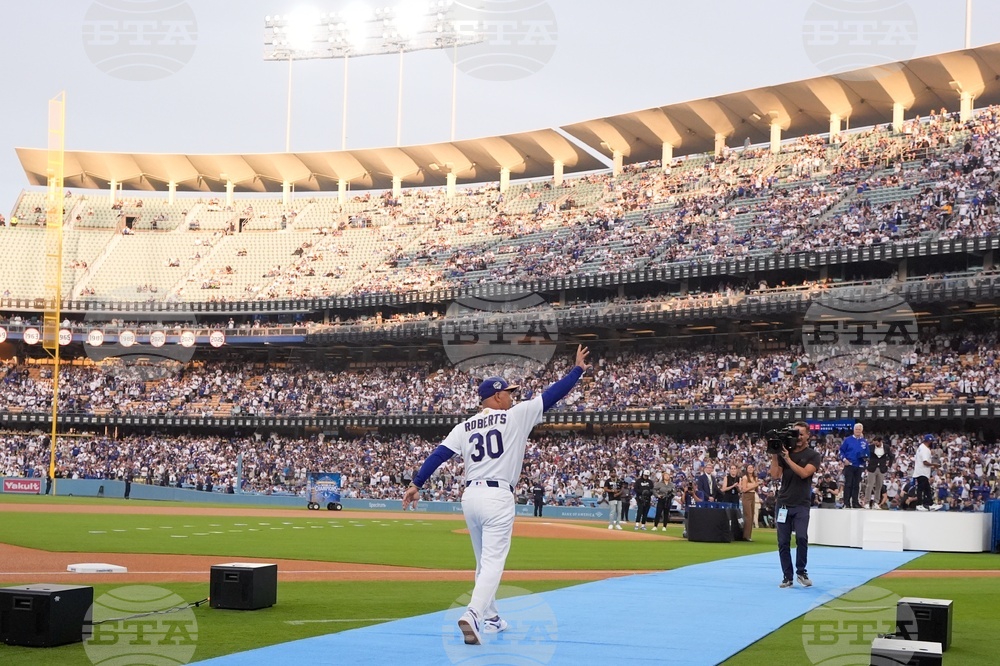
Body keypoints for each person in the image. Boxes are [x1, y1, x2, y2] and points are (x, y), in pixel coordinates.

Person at [402, 345, 590, 646]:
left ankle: (490, 617)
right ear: (498, 396)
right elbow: (553, 394)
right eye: (509, 393)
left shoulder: (465, 426)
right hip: (497, 496)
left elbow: (439, 454)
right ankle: (474, 613)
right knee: (492, 563)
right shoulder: (516, 415)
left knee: (481, 562)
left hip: (471, 497)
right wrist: (577, 370)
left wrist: (416, 483)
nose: (513, 397)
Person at [769, 421, 821, 588]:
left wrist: (788, 459)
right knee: (783, 541)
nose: (797, 437)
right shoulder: (785, 453)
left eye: (800, 434)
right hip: (783, 503)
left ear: (807, 436)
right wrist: (775, 453)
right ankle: (787, 576)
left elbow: (804, 473)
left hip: (801, 503)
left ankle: (801, 571)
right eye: (795, 433)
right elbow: (776, 475)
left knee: (801, 537)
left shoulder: (813, 455)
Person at [839, 423, 868, 508]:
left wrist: (866, 459)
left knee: (856, 485)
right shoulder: (848, 440)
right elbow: (841, 451)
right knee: (848, 484)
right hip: (850, 465)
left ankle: (855, 502)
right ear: (853, 430)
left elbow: (867, 453)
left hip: (859, 466)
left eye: (859, 429)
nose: (858, 431)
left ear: (861, 430)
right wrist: (844, 460)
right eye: (856, 429)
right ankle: (846, 503)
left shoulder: (864, 442)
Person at [860, 436, 893, 509]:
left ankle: (876, 502)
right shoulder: (870, 447)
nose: (875, 443)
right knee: (869, 485)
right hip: (872, 468)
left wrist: (889, 465)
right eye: (874, 442)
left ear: (880, 441)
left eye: (876, 442)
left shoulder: (886, 447)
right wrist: (867, 464)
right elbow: (864, 455)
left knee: (879, 486)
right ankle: (867, 502)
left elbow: (891, 456)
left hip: (881, 468)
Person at [913, 434, 940, 511]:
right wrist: (933, 464)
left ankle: (930, 504)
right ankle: (919, 504)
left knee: (927, 489)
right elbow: (925, 462)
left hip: (921, 471)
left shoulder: (921, 447)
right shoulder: (925, 449)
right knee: (921, 488)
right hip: (922, 472)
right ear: (929, 441)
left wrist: (931, 466)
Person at [738, 464, 760, 541]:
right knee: (748, 516)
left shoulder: (754, 478)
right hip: (747, 496)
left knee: (751, 516)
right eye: (749, 468)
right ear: (746, 469)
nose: (750, 469)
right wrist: (754, 485)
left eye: (752, 467)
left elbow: (756, 489)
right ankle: (746, 535)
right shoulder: (745, 478)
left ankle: (749, 535)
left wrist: (756, 485)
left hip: (753, 495)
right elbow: (744, 489)